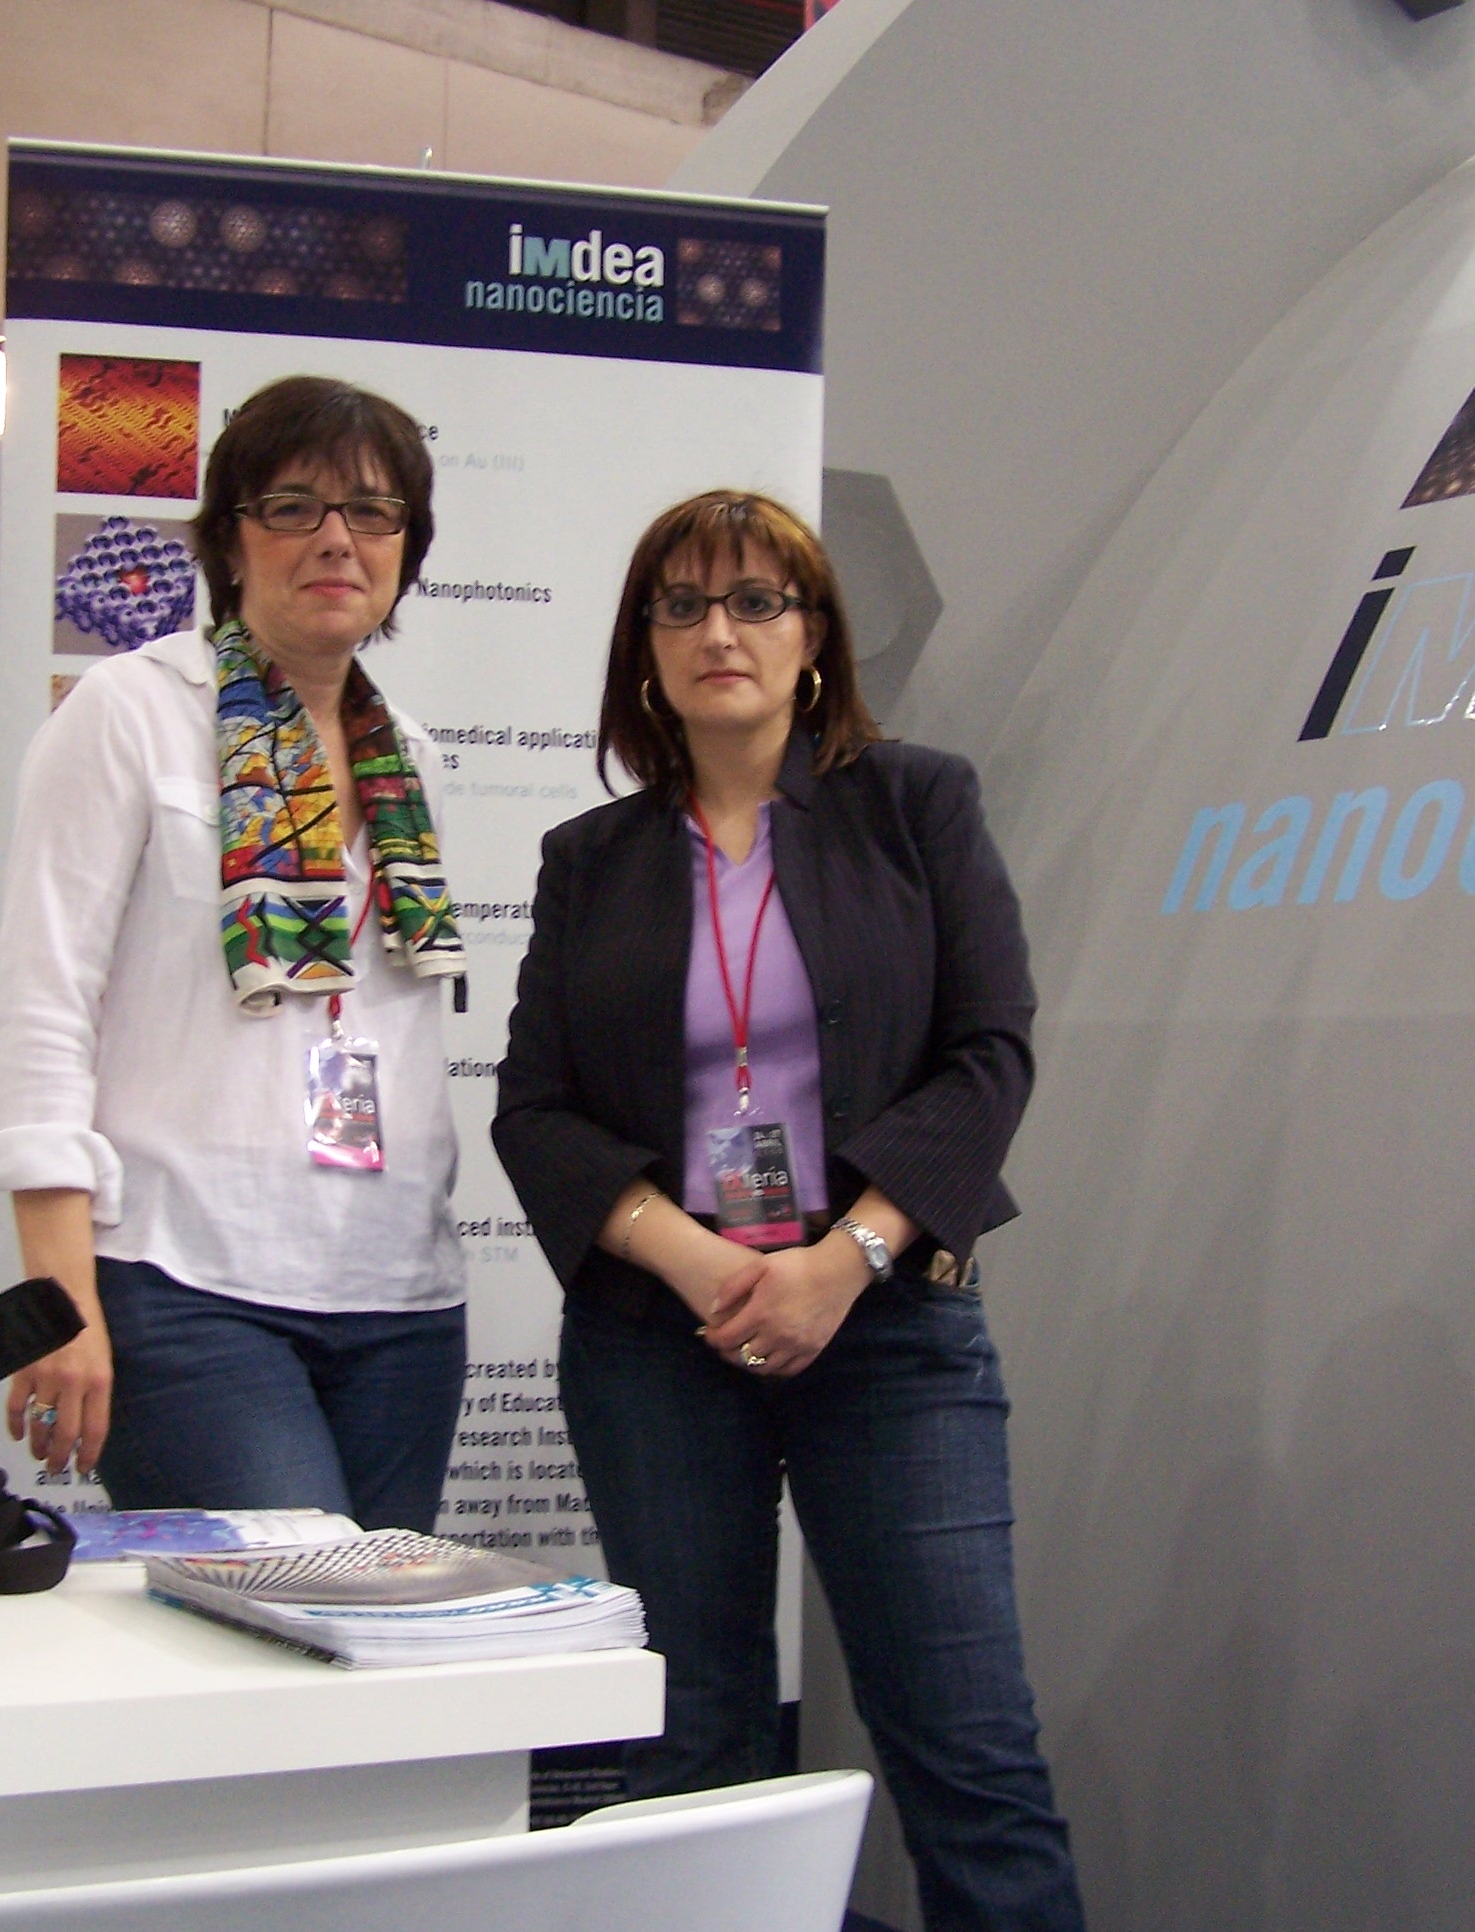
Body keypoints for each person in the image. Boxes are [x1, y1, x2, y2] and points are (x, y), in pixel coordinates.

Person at [491, 491, 1084, 1932]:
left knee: (968, 1748)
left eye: (759, 601)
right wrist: (694, 1260)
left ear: (815, 639)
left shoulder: (916, 803)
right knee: (696, 1747)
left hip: (887, 1330)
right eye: (683, 605)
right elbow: (536, 1110)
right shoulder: (593, 860)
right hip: (655, 1341)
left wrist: (848, 1257)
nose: (721, 632)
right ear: (645, 649)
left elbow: (989, 1050)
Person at [0, 374, 470, 1531]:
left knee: (377, 1669)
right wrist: (61, 1300)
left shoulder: (413, 762)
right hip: (183, 1281)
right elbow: (47, 1007)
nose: (336, 539)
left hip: (399, 1296)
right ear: (229, 540)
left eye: (374, 512)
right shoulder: (129, 712)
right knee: (287, 1633)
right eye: (293, 506)